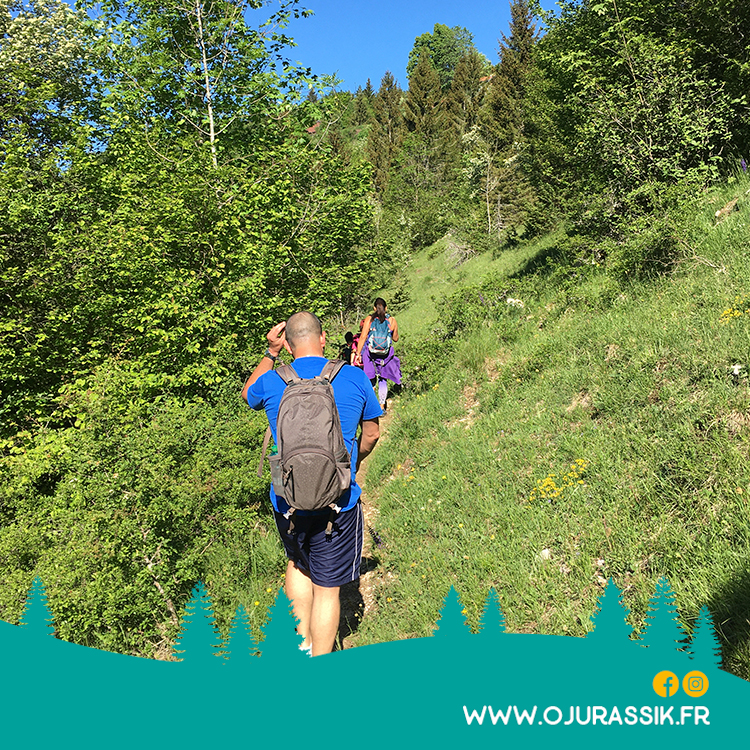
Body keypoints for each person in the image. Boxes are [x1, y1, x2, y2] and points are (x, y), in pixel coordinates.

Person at [241, 312, 381, 656]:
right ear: (323, 338)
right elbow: (372, 434)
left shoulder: (272, 381)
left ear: (289, 346)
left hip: (286, 497)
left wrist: (270, 353)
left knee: (298, 564)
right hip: (338, 499)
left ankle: (302, 645)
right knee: (328, 589)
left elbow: (247, 394)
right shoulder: (354, 376)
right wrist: (352, 464)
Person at [354, 298, 402, 411]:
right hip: (385, 356)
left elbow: (363, 337)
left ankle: (371, 406)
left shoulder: (369, 319)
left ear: (374, 308)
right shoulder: (392, 320)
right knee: (382, 379)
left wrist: (358, 354)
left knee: (371, 380)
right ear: (386, 308)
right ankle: (382, 407)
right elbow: (395, 339)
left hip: (370, 355)